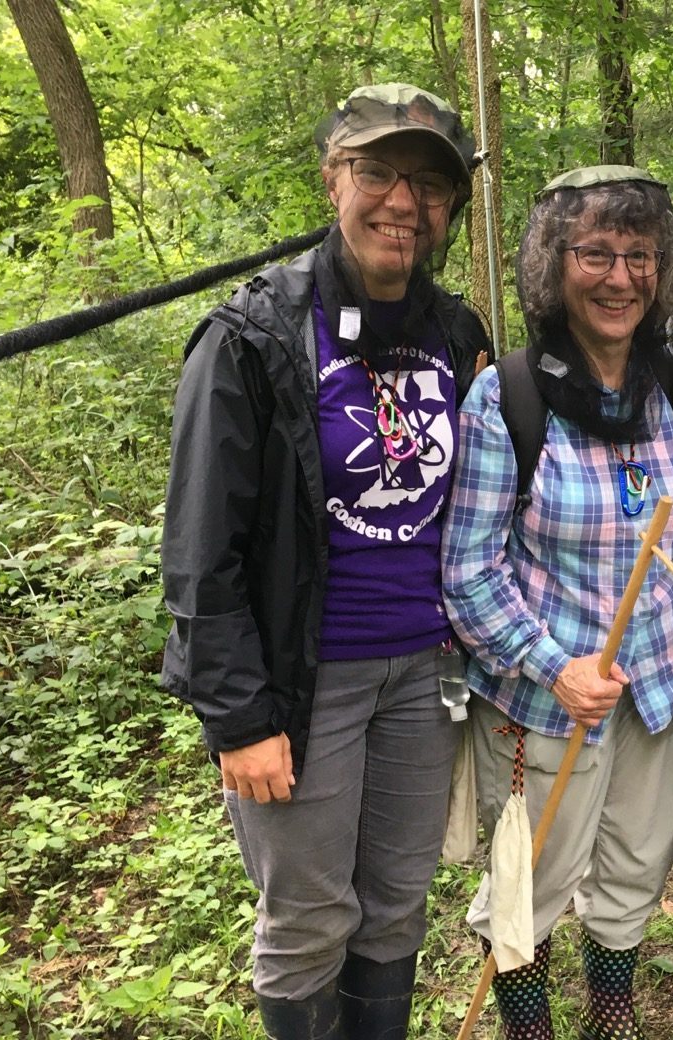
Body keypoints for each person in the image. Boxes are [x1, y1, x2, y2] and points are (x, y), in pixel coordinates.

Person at [161, 84, 490, 1040]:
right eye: (378, 171)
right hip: (308, 686)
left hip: (426, 677)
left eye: (430, 184)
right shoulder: (252, 338)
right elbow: (199, 551)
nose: (403, 201)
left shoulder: (455, 333)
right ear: (334, 178)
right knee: (308, 920)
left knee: (395, 903)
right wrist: (238, 717)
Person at [442, 166, 673, 1040]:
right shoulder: (506, 398)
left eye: (639, 255)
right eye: (595, 254)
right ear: (555, 265)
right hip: (543, 700)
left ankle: (613, 1014)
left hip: (651, 687)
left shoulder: (669, 390)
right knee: (533, 878)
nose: (620, 277)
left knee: (633, 866)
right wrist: (556, 666)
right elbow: (468, 574)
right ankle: (528, 1025)